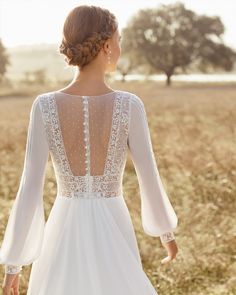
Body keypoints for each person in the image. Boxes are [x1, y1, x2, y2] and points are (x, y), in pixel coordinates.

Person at [0, 5, 178, 295]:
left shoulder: (44, 106)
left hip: (62, 228)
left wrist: (13, 266)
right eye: (119, 40)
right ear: (107, 45)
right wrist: (165, 232)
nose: (120, 48)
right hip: (113, 223)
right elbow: (149, 175)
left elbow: (29, 188)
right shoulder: (129, 105)